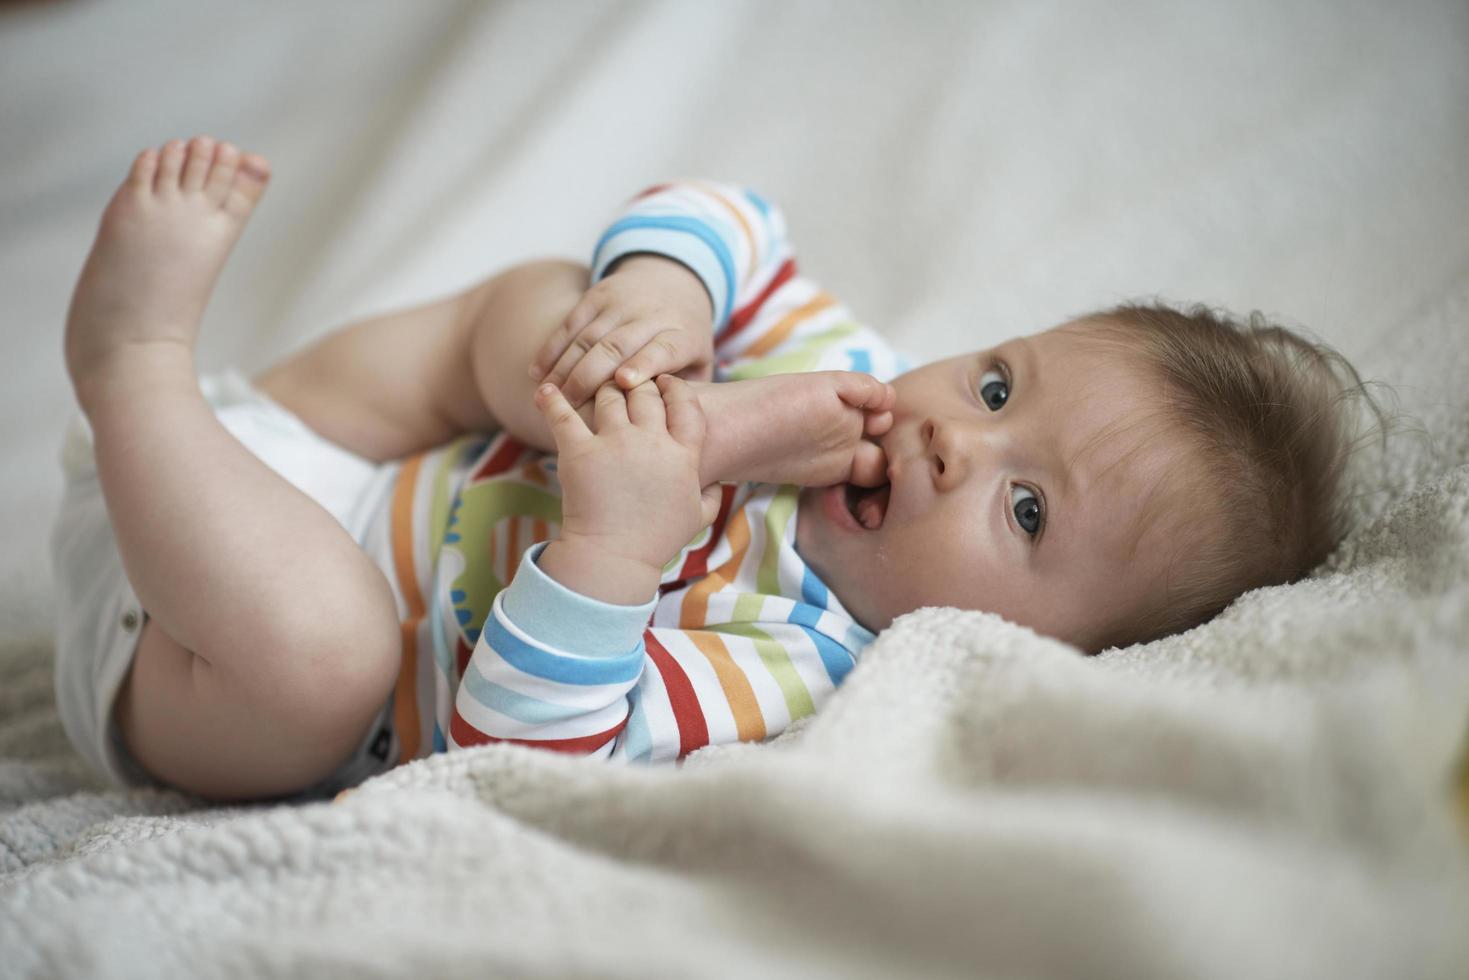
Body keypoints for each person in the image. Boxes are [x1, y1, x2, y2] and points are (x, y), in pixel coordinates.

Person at [52, 136, 1371, 805]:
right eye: (994, 383)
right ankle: (180, 417)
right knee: (544, 309)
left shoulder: (789, 659)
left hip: (197, 648)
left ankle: (130, 358)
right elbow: (731, 215)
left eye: (1023, 508)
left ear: (1046, 647)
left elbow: (515, 753)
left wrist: (616, 555)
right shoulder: (843, 370)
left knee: (324, 653)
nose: (951, 439)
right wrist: (663, 296)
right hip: (304, 444)